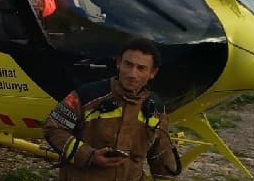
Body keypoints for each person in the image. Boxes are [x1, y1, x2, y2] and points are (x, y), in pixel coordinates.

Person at [44, 39, 180, 180]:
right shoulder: (87, 95)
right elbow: (53, 128)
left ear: (153, 73)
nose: (133, 74)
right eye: (128, 64)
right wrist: (89, 155)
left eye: (141, 68)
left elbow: (162, 157)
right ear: (118, 63)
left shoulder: (156, 109)